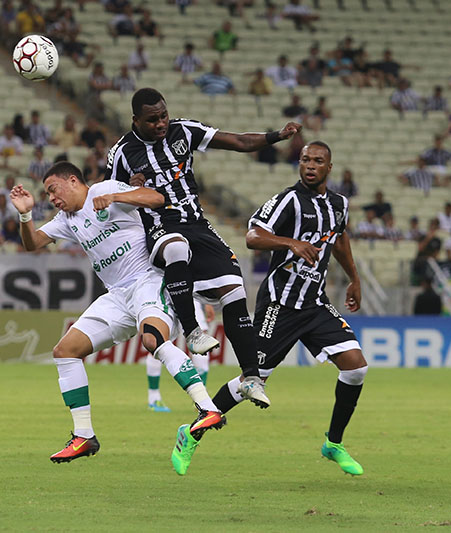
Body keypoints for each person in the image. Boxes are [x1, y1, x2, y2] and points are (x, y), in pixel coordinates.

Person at [10, 161, 226, 463]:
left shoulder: (106, 189)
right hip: (116, 296)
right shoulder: (66, 219)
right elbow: (32, 243)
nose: (52, 198)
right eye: (47, 194)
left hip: (148, 281)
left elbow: (156, 198)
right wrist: (24, 214)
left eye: (53, 190)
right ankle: (83, 435)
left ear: (73, 181)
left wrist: (117, 198)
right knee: (65, 351)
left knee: (152, 340)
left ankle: (208, 409)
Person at [176, 141, 368, 477]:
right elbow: (253, 236)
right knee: (253, 379)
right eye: (305, 159)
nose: (310, 165)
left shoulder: (339, 204)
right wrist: (290, 242)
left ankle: (333, 443)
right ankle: (192, 432)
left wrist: (354, 278)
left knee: (356, 368)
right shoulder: (288, 200)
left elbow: (339, 238)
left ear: (329, 167)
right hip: (280, 304)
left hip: (315, 302)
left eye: (318, 161)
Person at [106, 88, 297, 409]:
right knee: (176, 247)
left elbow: (237, 142)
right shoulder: (122, 153)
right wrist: (129, 190)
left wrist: (275, 135)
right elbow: (107, 199)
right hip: (159, 227)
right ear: (135, 120)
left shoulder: (184, 131)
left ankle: (250, 377)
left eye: (164, 115)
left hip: (197, 224)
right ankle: (193, 331)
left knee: (235, 289)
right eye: (152, 120)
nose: (161, 123)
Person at [146, 299, 213, 412]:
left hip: (175, 296)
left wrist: (206, 302)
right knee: (158, 340)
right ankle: (202, 400)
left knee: (159, 340)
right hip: (170, 296)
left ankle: (201, 399)